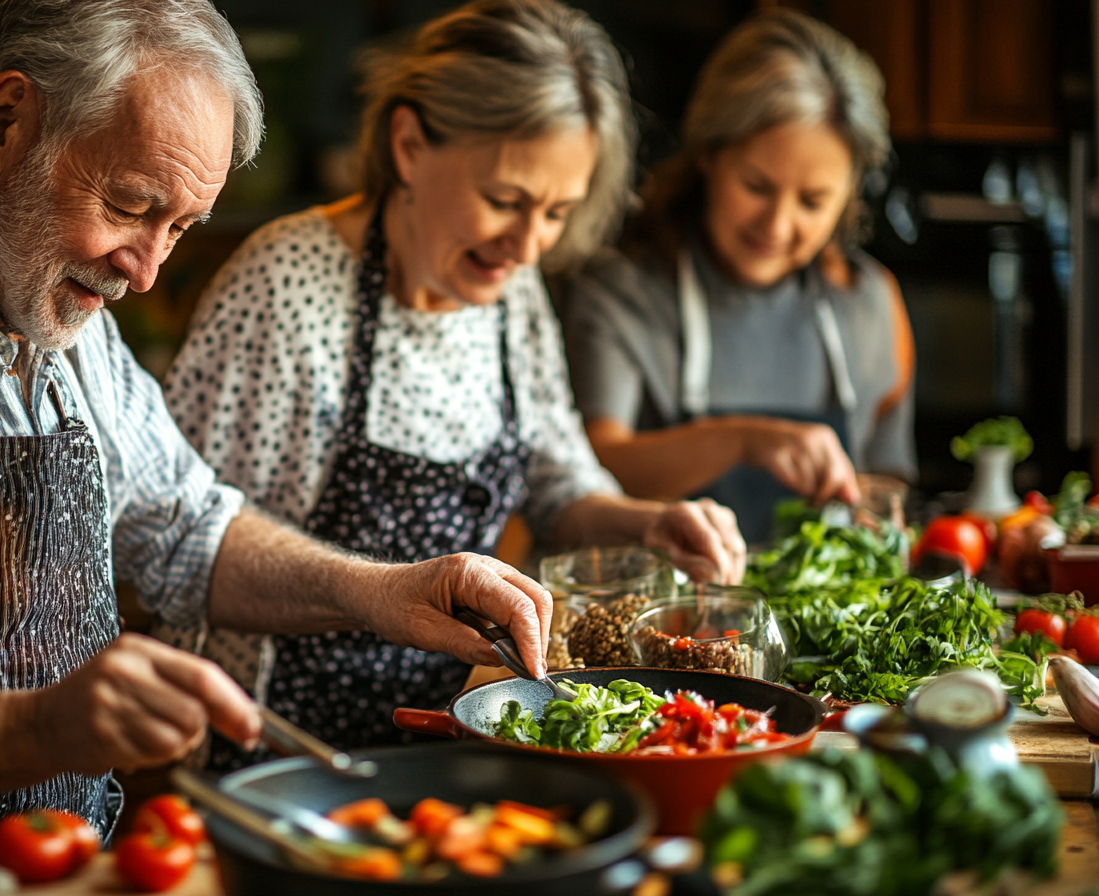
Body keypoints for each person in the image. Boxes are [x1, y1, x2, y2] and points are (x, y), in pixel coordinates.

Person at [0, 2, 562, 891]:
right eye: (131, 205)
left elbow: (186, 528)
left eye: (177, 227)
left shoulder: (37, 278)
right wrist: (41, 729)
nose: (144, 273)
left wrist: (380, 590)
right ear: (2, 123)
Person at [164, 0, 746, 769]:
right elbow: (191, 549)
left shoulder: (509, 294)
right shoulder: (287, 288)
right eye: (505, 201)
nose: (528, 243)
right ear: (408, 144)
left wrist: (642, 523)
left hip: (467, 723)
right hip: (289, 744)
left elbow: (555, 483)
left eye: (557, 213)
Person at [559, 9, 917, 543]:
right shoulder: (619, 290)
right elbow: (591, 472)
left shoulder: (869, 301)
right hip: (675, 613)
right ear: (707, 152)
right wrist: (743, 441)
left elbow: (888, 481)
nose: (777, 224)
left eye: (813, 201)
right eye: (756, 185)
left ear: (851, 193)